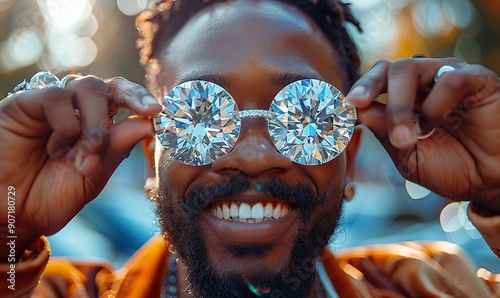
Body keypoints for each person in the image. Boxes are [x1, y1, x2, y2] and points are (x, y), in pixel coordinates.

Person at [1, 0, 500, 297]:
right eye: (201, 114)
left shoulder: (435, 285)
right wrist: (7, 222)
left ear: (348, 159)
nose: (255, 155)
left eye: (305, 116)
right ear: (153, 153)